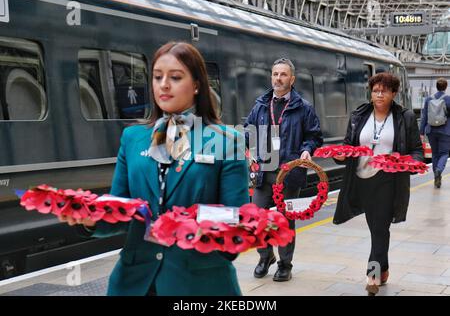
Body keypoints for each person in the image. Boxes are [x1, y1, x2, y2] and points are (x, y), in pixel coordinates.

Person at [60, 42, 249, 296]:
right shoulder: (133, 137)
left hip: (199, 284)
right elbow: (121, 206)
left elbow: (234, 217)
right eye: (157, 76)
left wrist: (184, 222)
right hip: (135, 282)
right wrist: (91, 219)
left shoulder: (227, 141)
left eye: (175, 77)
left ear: (196, 85)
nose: (164, 84)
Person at [333, 72, 423, 295]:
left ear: (394, 93)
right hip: (360, 180)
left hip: (387, 180)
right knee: (376, 229)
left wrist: (410, 163)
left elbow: (417, 150)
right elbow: (346, 146)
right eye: (375, 90)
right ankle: (383, 269)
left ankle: (372, 276)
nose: (379, 94)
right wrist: (339, 156)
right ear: (371, 93)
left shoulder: (405, 117)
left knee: (380, 229)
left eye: (384, 90)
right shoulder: (358, 115)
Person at [244, 58, 323, 282]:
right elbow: (248, 132)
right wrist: (240, 143)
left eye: (283, 74)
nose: (278, 78)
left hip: (288, 174)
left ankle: (285, 264)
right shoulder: (260, 104)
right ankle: (265, 256)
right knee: (258, 218)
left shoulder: (303, 107)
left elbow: (314, 136)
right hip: (263, 172)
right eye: (275, 74)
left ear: (292, 79)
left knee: (285, 221)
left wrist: (307, 150)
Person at [420, 77, 450, 188]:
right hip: (445, 131)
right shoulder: (448, 99)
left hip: (431, 130)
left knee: (435, 154)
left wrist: (421, 132)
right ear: (445, 87)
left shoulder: (428, 99)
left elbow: (424, 117)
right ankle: (439, 170)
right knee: (444, 153)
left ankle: (435, 177)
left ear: (436, 87)